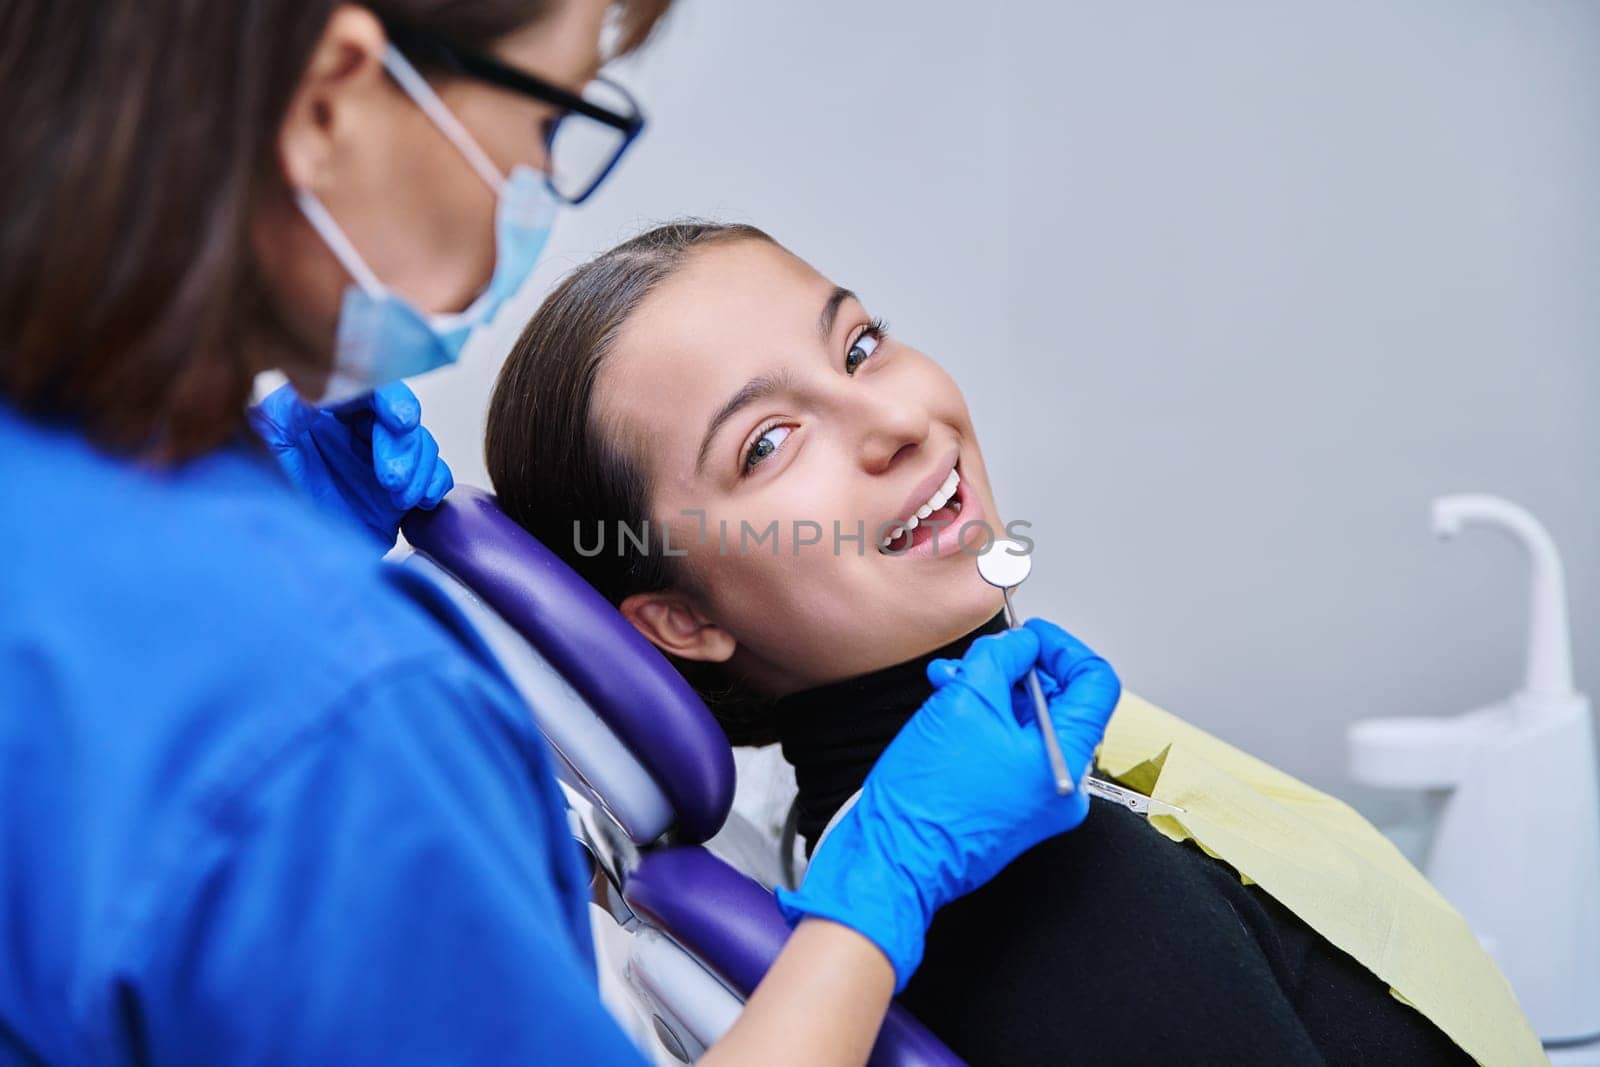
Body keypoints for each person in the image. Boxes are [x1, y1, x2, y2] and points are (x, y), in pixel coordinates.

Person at [0, 4, 1123, 1063]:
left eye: (863, 344)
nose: (538, 186)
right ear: (339, 101)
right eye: (544, 120)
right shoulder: (340, 718)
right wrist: (884, 885)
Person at [482, 220, 1539, 1065]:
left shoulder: (935, 819)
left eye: (858, 345)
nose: (893, 419)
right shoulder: (1036, 890)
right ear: (683, 619)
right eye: (767, 443)